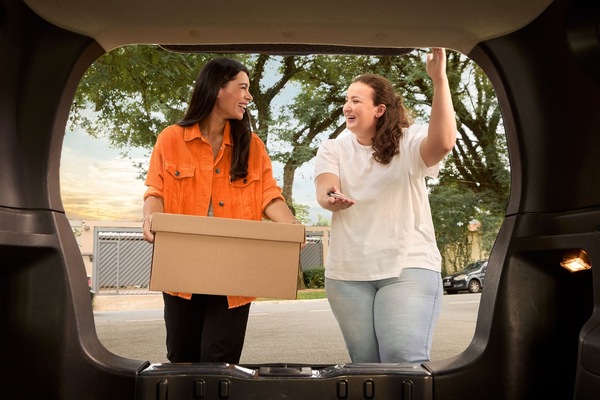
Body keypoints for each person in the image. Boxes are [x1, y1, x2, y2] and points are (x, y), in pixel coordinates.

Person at [142, 57, 301, 364]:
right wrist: (151, 218)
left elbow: (269, 196)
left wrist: (292, 226)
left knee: (221, 362)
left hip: (235, 271)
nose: (249, 97)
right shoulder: (171, 139)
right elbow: (155, 192)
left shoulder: (252, 145)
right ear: (217, 89)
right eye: (243, 88)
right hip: (182, 268)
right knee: (181, 359)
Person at [314, 48, 457, 364]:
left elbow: (444, 142)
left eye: (356, 101)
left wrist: (439, 79)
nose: (346, 106)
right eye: (346, 99)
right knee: (365, 365)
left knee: (402, 358)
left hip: (407, 265)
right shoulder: (333, 147)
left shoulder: (408, 141)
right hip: (348, 273)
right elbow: (324, 187)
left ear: (379, 110)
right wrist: (331, 197)